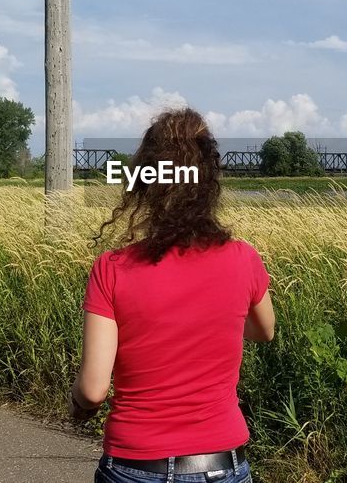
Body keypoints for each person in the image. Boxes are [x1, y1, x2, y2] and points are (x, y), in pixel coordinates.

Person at [69, 108, 277, 483]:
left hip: (135, 466)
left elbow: (94, 389)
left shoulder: (112, 268)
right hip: (222, 464)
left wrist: (77, 404)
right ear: (209, 182)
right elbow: (264, 331)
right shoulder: (243, 258)